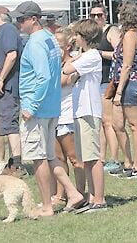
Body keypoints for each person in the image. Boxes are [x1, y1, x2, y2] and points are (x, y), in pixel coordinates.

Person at [15, 1, 87, 215]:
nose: (18, 23)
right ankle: (73, 193)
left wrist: (31, 106)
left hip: (36, 109)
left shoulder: (36, 43)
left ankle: (47, 206)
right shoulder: (49, 39)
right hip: (52, 106)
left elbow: (44, 77)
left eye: (21, 19)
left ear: (33, 20)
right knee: (49, 156)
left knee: (39, 158)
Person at [63, 17, 107, 213]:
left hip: (89, 110)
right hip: (80, 110)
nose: (75, 38)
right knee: (86, 158)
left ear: (85, 37)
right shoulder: (86, 55)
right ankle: (92, 196)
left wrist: (68, 54)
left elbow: (66, 70)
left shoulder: (92, 56)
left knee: (93, 157)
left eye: (77, 35)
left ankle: (99, 199)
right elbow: (69, 78)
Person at [108, 1, 137, 178]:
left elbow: (127, 65)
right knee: (117, 125)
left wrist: (118, 91)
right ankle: (127, 162)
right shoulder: (128, 34)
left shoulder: (131, 36)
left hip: (130, 82)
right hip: (121, 82)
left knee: (134, 125)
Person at [0, 7, 23, 177]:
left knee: (10, 126)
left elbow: (12, 55)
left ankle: (16, 164)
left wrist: (1, 79)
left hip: (8, 86)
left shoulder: (8, 29)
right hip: (4, 86)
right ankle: (12, 163)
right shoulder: (3, 31)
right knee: (5, 124)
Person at [53, 27, 86, 199]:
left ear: (67, 46)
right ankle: (61, 195)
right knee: (58, 158)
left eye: (57, 45)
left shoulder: (73, 63)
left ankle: (80, 193)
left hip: (67, 116)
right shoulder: (53, 64)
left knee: (75, 159)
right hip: (54, 117)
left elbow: (62, 82)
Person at [93, 5, 123, 175]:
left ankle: (115, 158)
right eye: (93, 15)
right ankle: (102, 158)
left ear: (105, 15)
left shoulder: (110, 31)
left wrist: (99, 53)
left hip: (107, 81)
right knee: (100, 122)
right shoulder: (92, 33)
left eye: (100, 15)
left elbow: (118, 53)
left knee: (108, 121)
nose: (97, 18)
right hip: (95, 81)